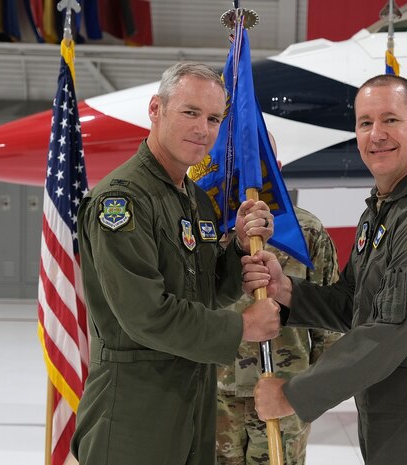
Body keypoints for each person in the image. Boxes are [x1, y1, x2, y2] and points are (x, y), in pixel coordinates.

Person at [242, 74, 407, 465]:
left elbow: (389, 333)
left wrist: (294, 394)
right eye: (365, 123)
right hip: (392, 403)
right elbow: (354, 304)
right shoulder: (384, 209)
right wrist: (285, 290)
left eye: (390, 119)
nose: (376, 134)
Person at [71, 62, 281, 465]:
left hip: (193, 399)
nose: (203, 129)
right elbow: (145, 314)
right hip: (134, 407)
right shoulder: (122, 201)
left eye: (214, 118)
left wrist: (238, 254)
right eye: (190, 112)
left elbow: (205, 293)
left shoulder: (195, 200)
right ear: (156, 109)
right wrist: (243, 326)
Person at [216, 133, 341, 465]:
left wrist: (307, 393)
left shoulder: (306, 233)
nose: (249, 178)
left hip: (283, 394)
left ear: (277, 169)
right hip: (215, 397)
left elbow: (330, 326)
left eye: (260, 167)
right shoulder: (208, 232)